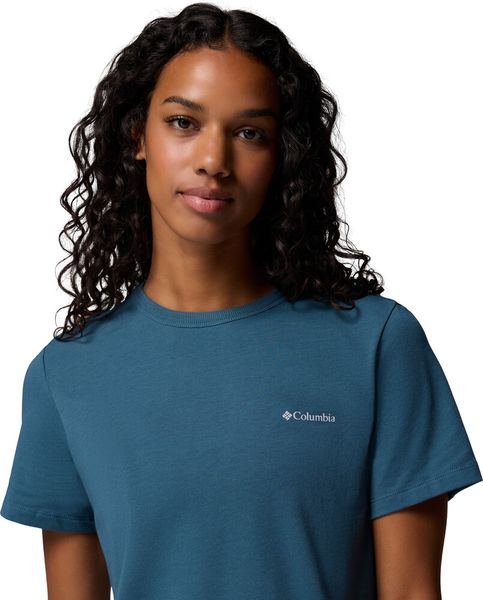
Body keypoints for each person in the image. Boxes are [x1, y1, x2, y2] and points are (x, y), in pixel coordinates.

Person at [1, 3, 481, 599]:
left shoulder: (377, 345)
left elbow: (411, 592)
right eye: (183, 122)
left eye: (250, 133)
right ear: (137, 136)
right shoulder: (65, 375)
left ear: (282, 156)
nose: (213, 161)